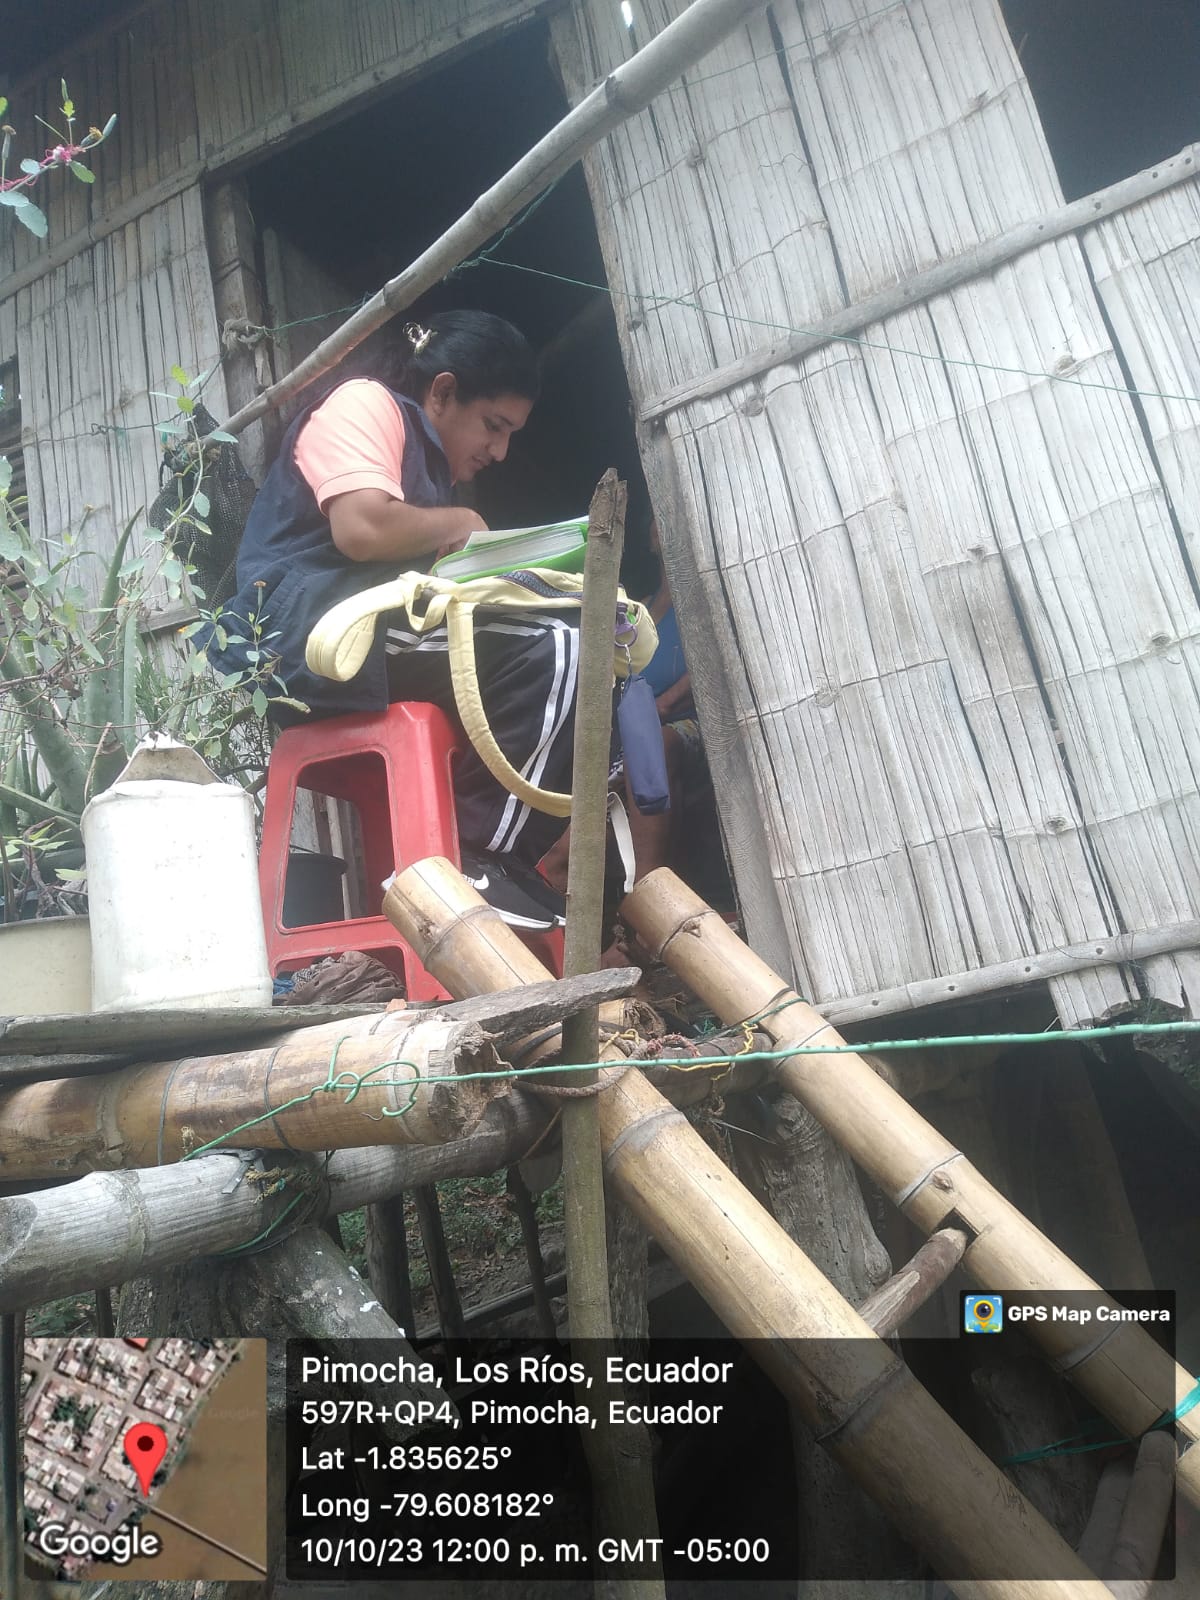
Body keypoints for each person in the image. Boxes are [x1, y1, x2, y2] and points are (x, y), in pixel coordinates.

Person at [202, 310, 573, 924]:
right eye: (494, 426)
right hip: (308, 633)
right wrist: (462, 523)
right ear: (443, 391)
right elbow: (362, 527)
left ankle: (492, 856)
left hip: (371, 631)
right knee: (555, 645)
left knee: (594, 652)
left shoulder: (432, 472)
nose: (501, 451)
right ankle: (474, 858)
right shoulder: (364, 402)